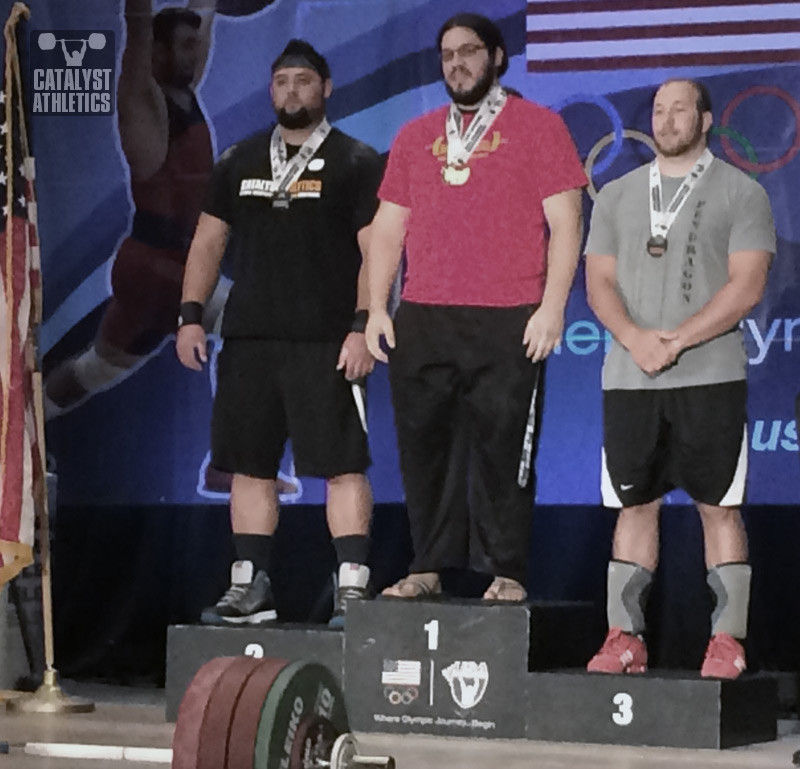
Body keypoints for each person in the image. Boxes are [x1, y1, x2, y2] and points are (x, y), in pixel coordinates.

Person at [365, 13, 586, 601]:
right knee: (424, 447)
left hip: (510, 312)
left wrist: (552, 308)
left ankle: (506, 571)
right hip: (425, 312)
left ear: (497, 58)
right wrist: (376, 309)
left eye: (469, 52)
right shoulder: (415, 136)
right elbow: (387, 231)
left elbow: (567, 223)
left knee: (504, 448)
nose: (457, 64)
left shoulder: (539, 127)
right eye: (447, 55)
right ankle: (427, 565)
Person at [177, 39, 383, 627]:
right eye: (282, 82)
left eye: (303, 81)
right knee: (250, 465)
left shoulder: (357, 160)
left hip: (328, 340)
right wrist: (191, 315)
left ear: (326, 89)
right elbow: (209, 242)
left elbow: (377, 252)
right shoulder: (239, 160)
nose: (292, 91)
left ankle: (351, 587)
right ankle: (250, 586)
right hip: (249, 338)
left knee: (343, 465)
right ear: (272, 91)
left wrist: (363, 327)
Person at [584, 79, 775, 678]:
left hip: (710, 376)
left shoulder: (743, 192)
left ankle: (727, 641)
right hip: (630, 376)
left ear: (707, 119)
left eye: (679, 110)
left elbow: (747, 285)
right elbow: (597, 284)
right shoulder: (615, 195)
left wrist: (680, 339)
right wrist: (639, 340)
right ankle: (624, 637)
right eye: (659, 111)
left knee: (718, 507)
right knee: (634, 507)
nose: (667, 121)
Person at [45, 0, 227, 416]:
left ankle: (23, 426)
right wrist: (139, 15)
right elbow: (139, 27)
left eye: (194, 45)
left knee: (94, 371)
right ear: (156, 53)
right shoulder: (143, 103)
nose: (194, 53)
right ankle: (234, 456)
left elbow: (203, 18)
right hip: (162, 272)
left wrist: (206, 8)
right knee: (260, 326)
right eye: (184, 46)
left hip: (153, 267)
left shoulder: (183, 93)